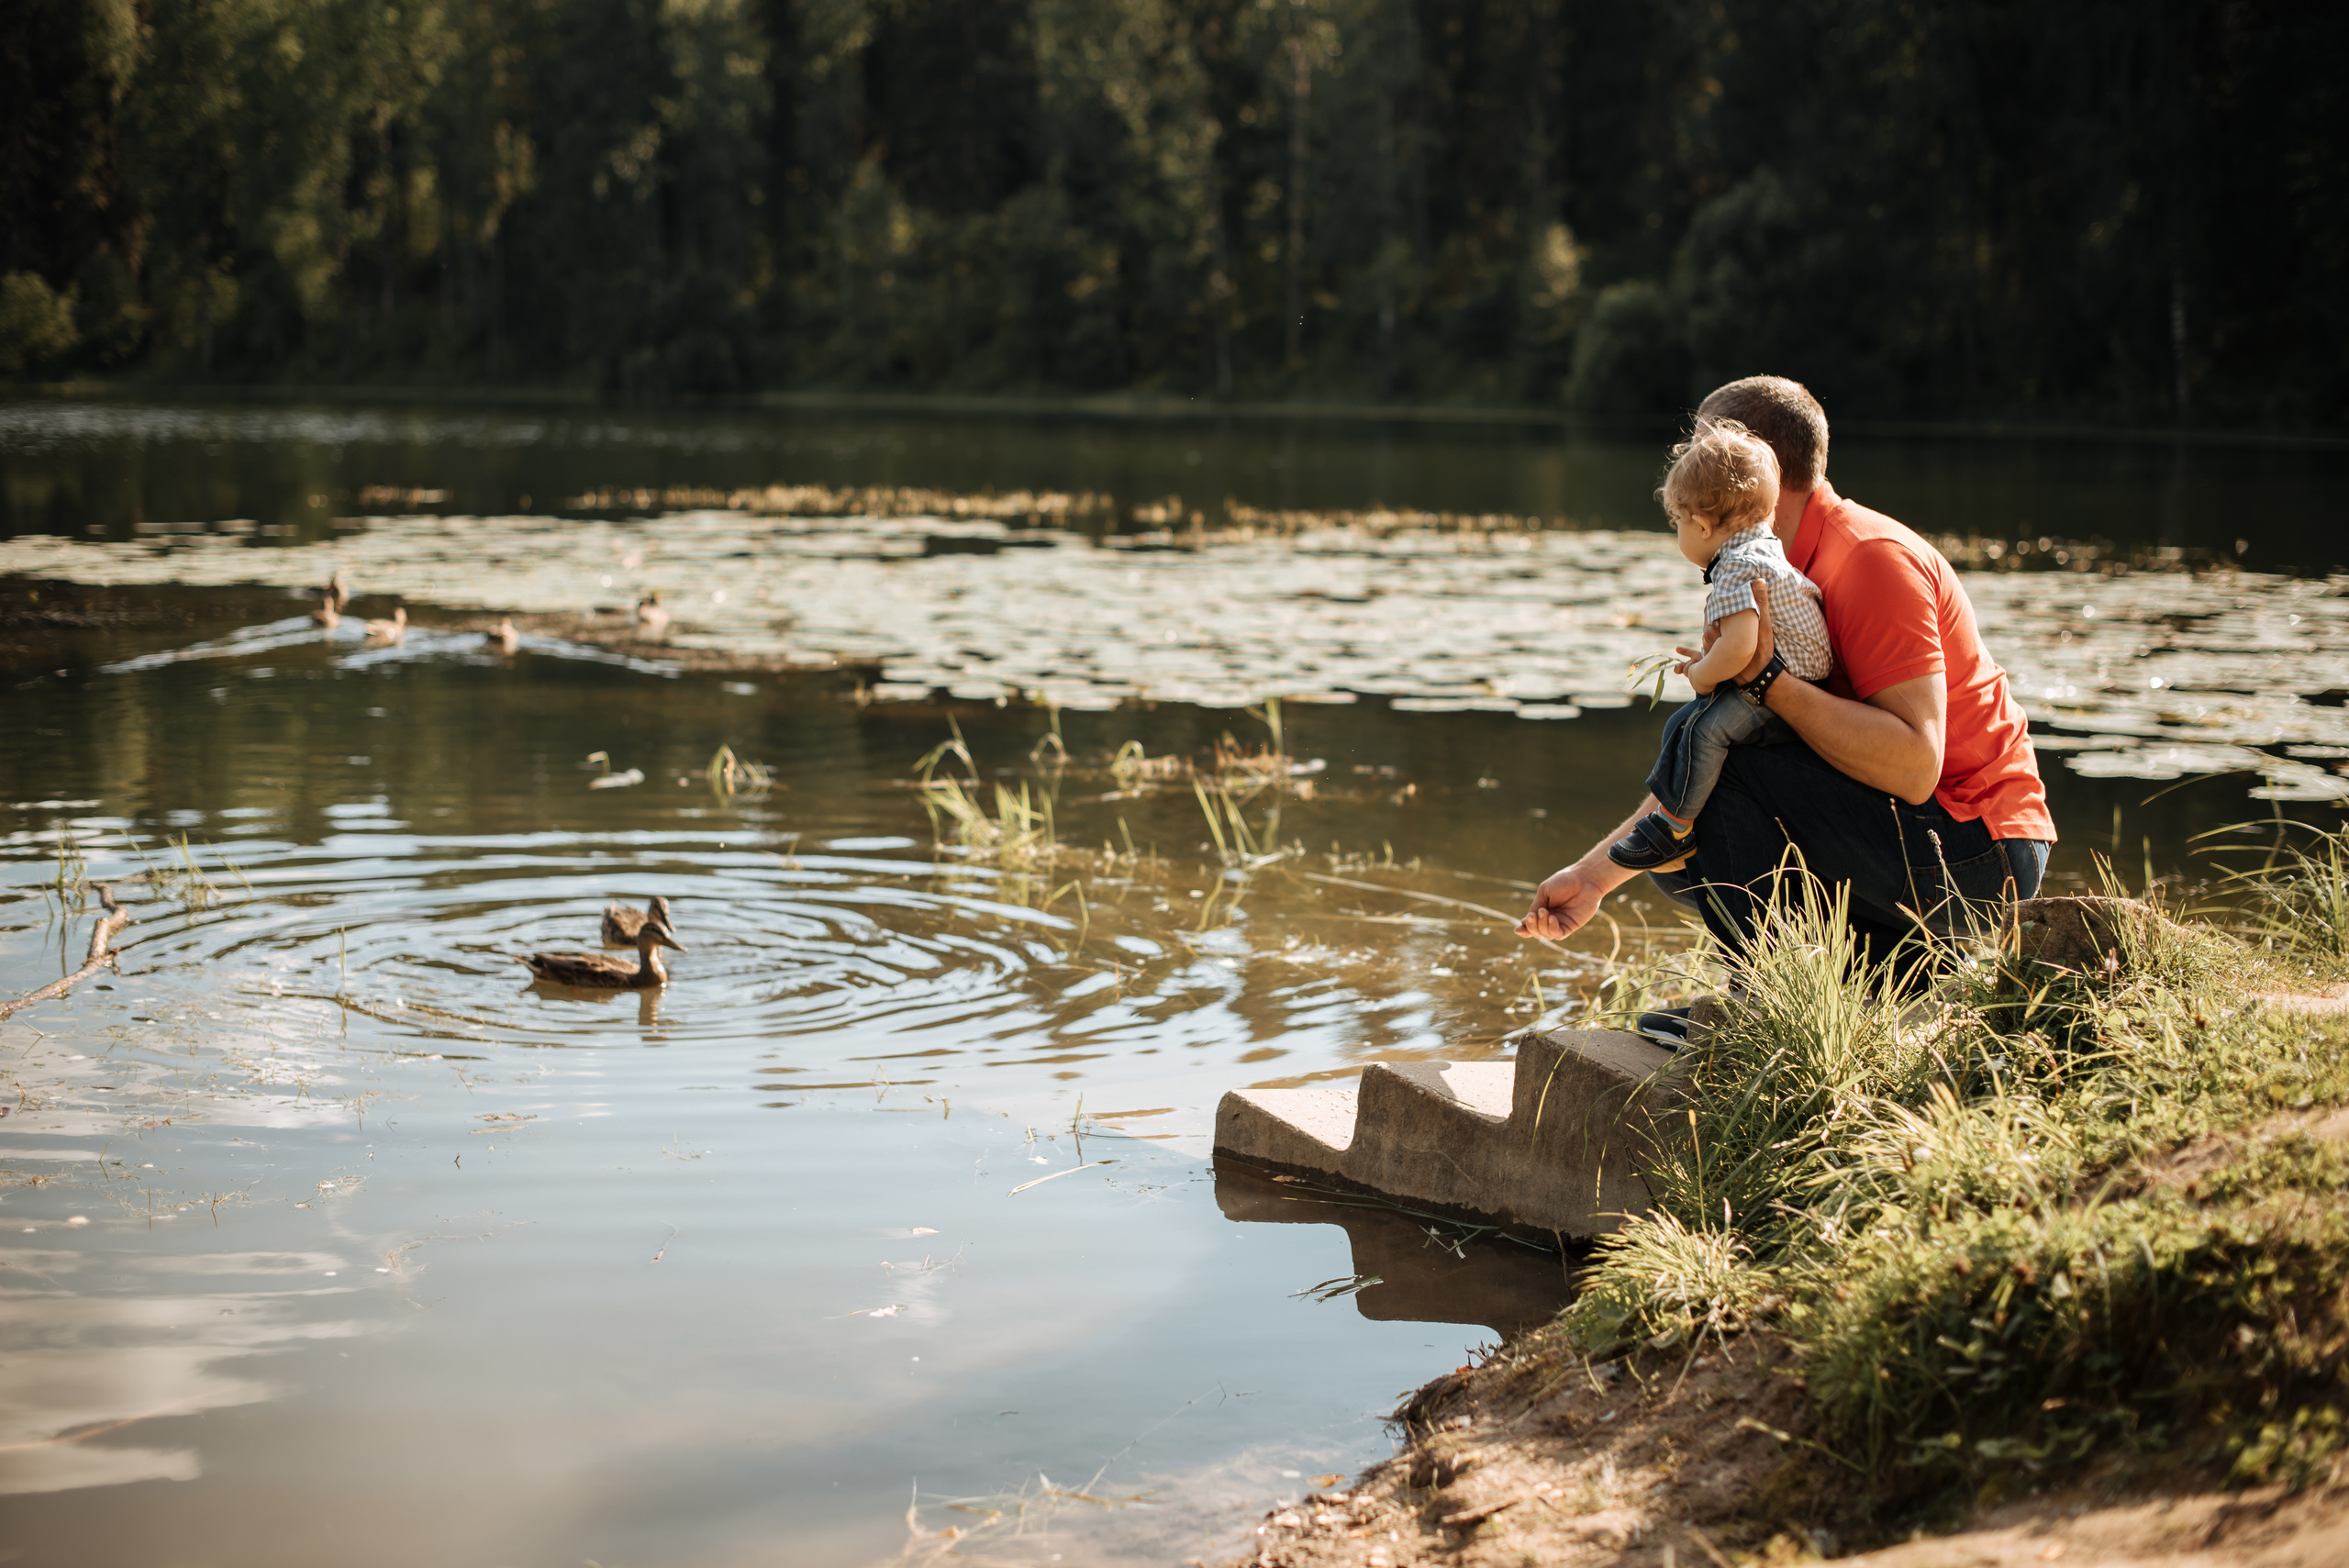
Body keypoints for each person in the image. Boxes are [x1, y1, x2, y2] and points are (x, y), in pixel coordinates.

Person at [1518, 376, 2055, 1043]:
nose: (1688, 472)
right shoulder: (1769, 567)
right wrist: (1597, 876)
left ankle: (1764, 1015)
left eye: (1704, 451)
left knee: (1725, 785)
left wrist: (1767, 680)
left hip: (1982, 854)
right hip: (1917, 835)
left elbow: (1917, 766)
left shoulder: (1870, 560)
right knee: (1673, 831)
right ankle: (1891, 976)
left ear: (1756, 464)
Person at [1608, 417, 1831, 871]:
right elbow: (1741, 641)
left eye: (1678, 522)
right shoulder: (1764, 548)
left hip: (1794, 688)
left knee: (1704, 729)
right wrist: (1715, 660)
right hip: (1802, 678)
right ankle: (1666, 815)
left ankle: (1676, 831)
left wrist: (1702, 674)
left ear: (1703, 525)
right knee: (1683, 723)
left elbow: (1742, 648)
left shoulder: (1736, 564)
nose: (1678, 532)